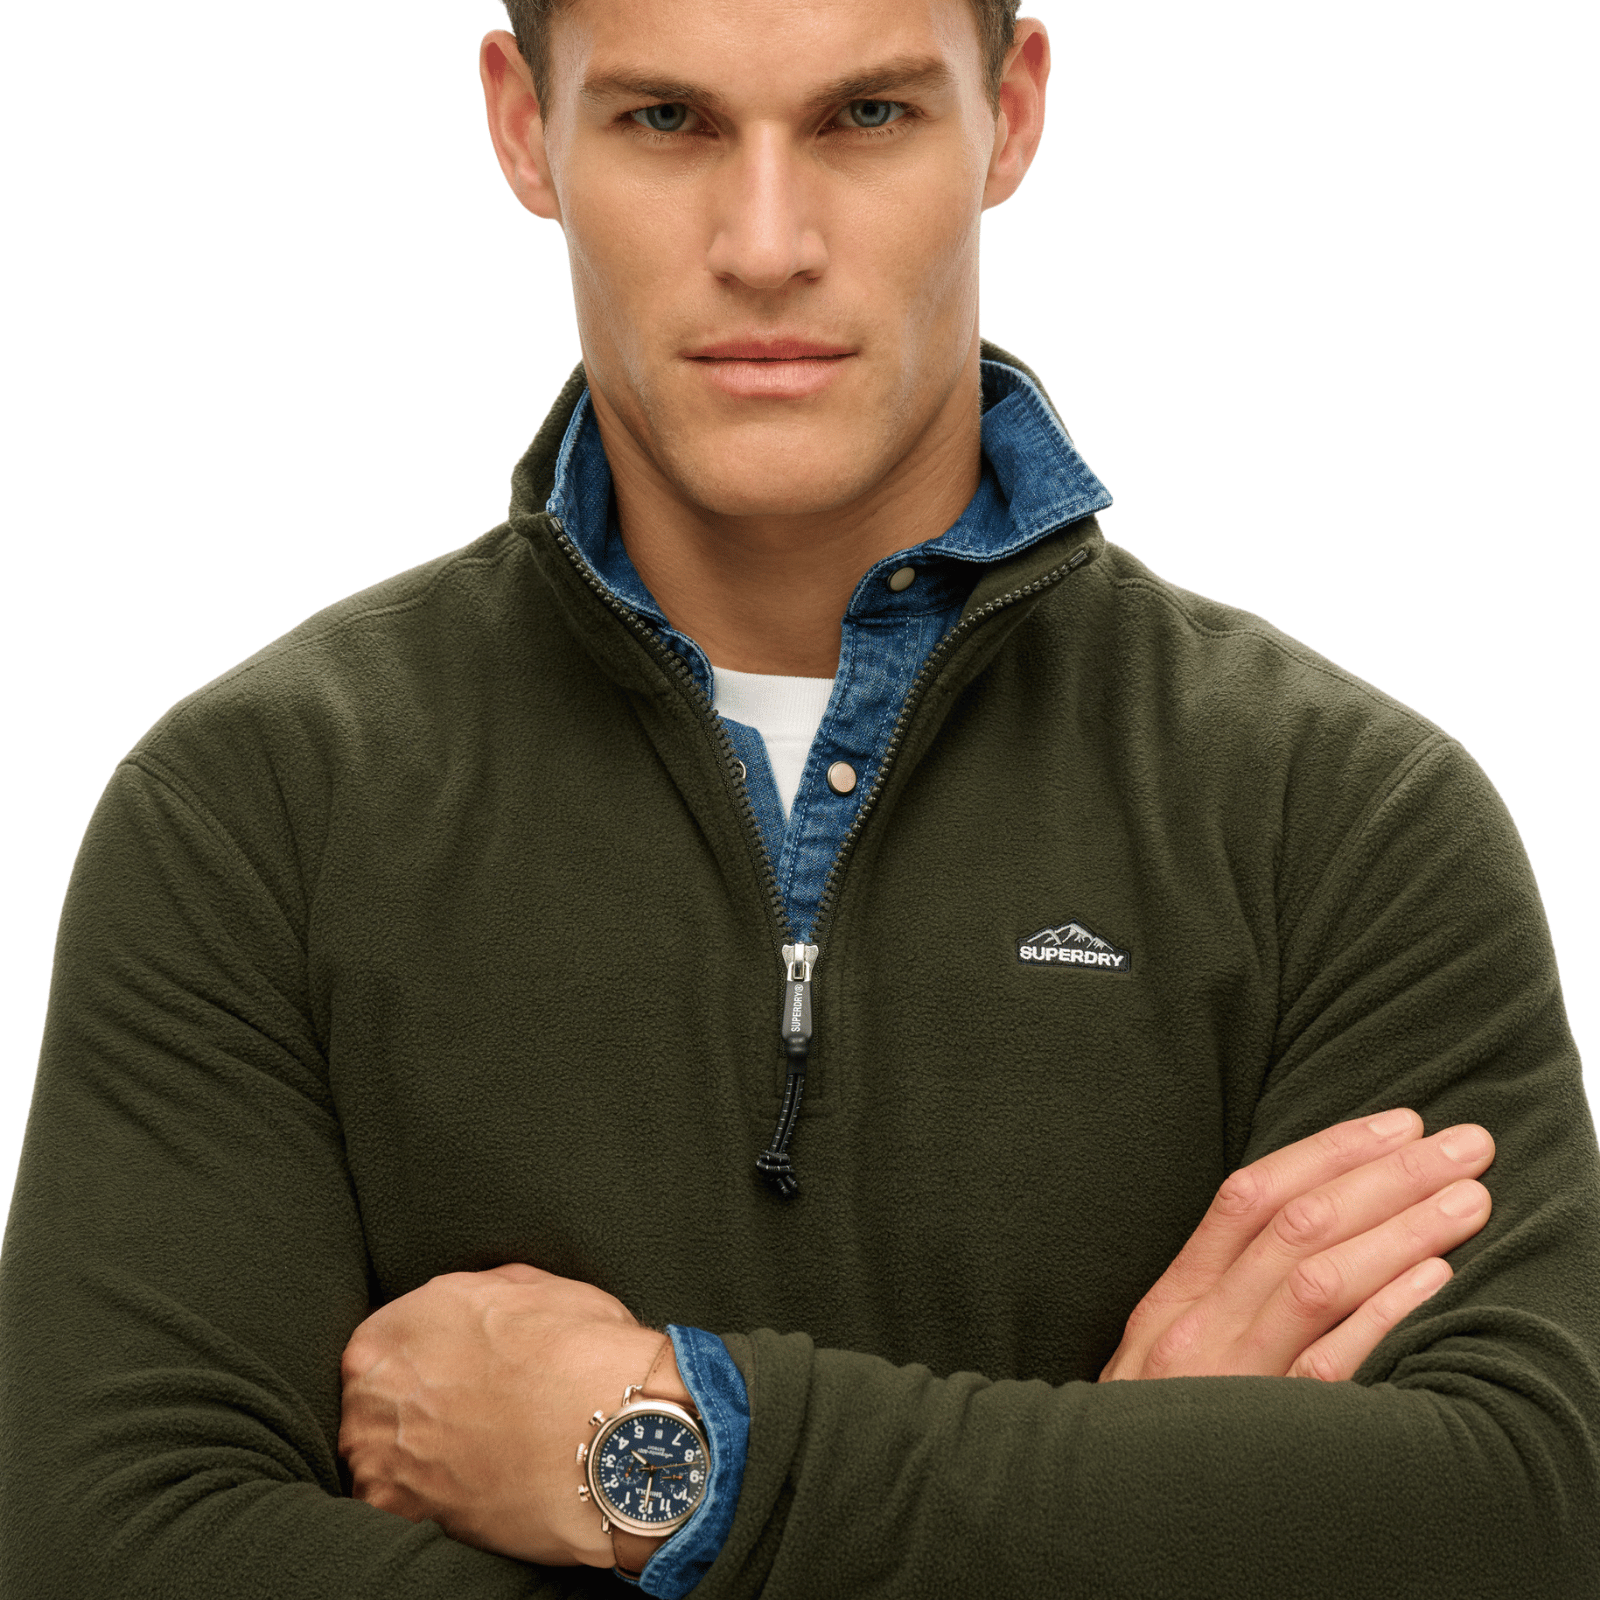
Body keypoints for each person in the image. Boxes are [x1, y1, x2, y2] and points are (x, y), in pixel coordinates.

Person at [1, 0, 1596, 1596]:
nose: (767, 245)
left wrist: (672, 1454)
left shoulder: (1342, 823)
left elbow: (1529, 1517)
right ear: (524, 125)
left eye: (866, 117)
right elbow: (106, 1546)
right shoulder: (257, 815)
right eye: (667, 121)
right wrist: (1127, 1517)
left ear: (1010, 113)